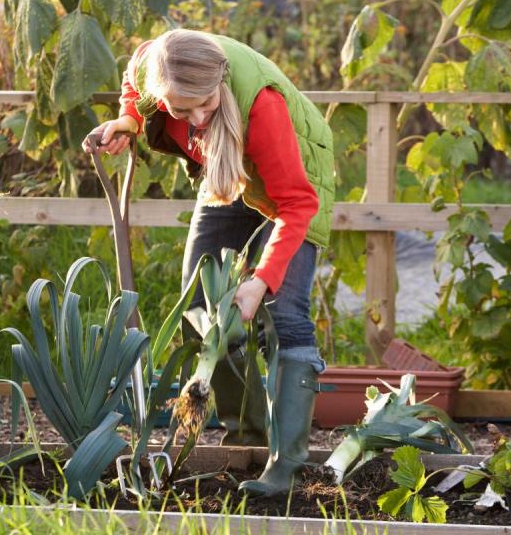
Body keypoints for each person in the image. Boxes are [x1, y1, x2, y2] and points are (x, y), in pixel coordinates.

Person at [83, 29, 334, 496]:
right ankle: (248, 439)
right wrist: (128, 121)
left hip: (292, 177)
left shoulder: (262, 107)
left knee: (285, 313)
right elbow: (134, 87)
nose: (196, 116)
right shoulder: (152, 64)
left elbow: (297, 205)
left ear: (220, 79)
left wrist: (260, 281)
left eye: (205, 103)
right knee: (200, 304)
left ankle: (285, 467)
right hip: (226, 167)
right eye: (181, 110)